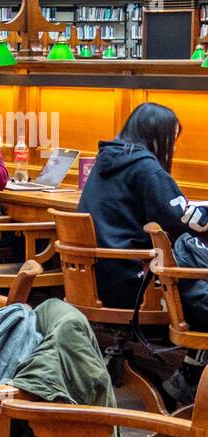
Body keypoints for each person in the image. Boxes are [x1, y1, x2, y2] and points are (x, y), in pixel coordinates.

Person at [77, 102, 208, 405]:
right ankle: (191, 376)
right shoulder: (145, 167)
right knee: (193, 274)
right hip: (133, 283)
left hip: (100, 277)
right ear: (158, 136)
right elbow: (180, 219)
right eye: (171, 139)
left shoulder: (108, 158)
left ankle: (191, 372)